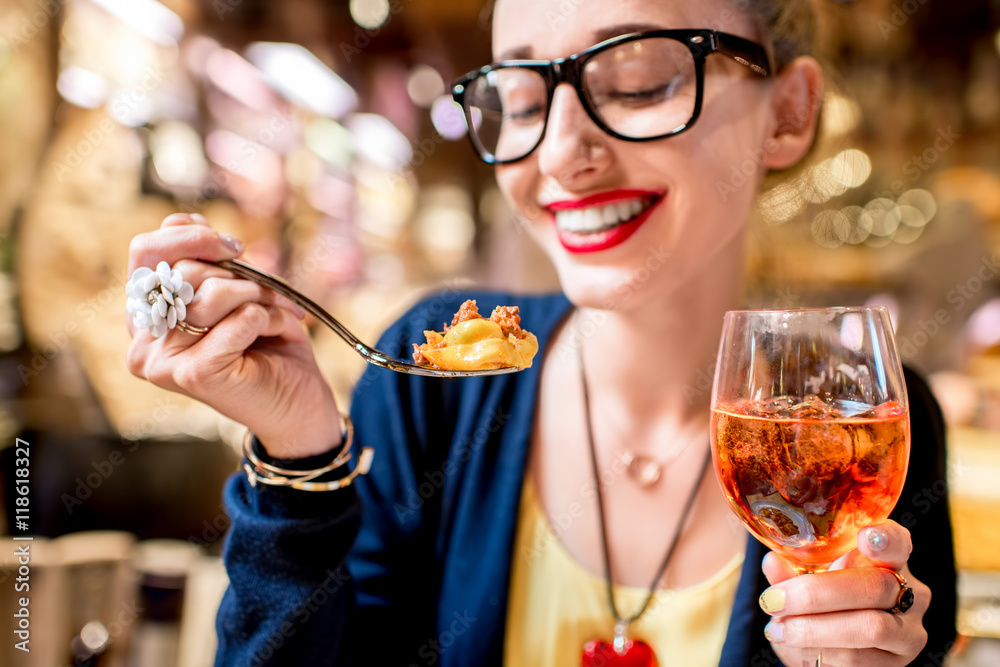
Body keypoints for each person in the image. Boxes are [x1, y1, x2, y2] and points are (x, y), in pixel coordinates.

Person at [125, 0, 957, 664]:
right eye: (518, 99)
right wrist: (296, 451)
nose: (559, 151)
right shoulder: (432, 380)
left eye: (637, 79)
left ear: (789, 111)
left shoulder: (866, 425)